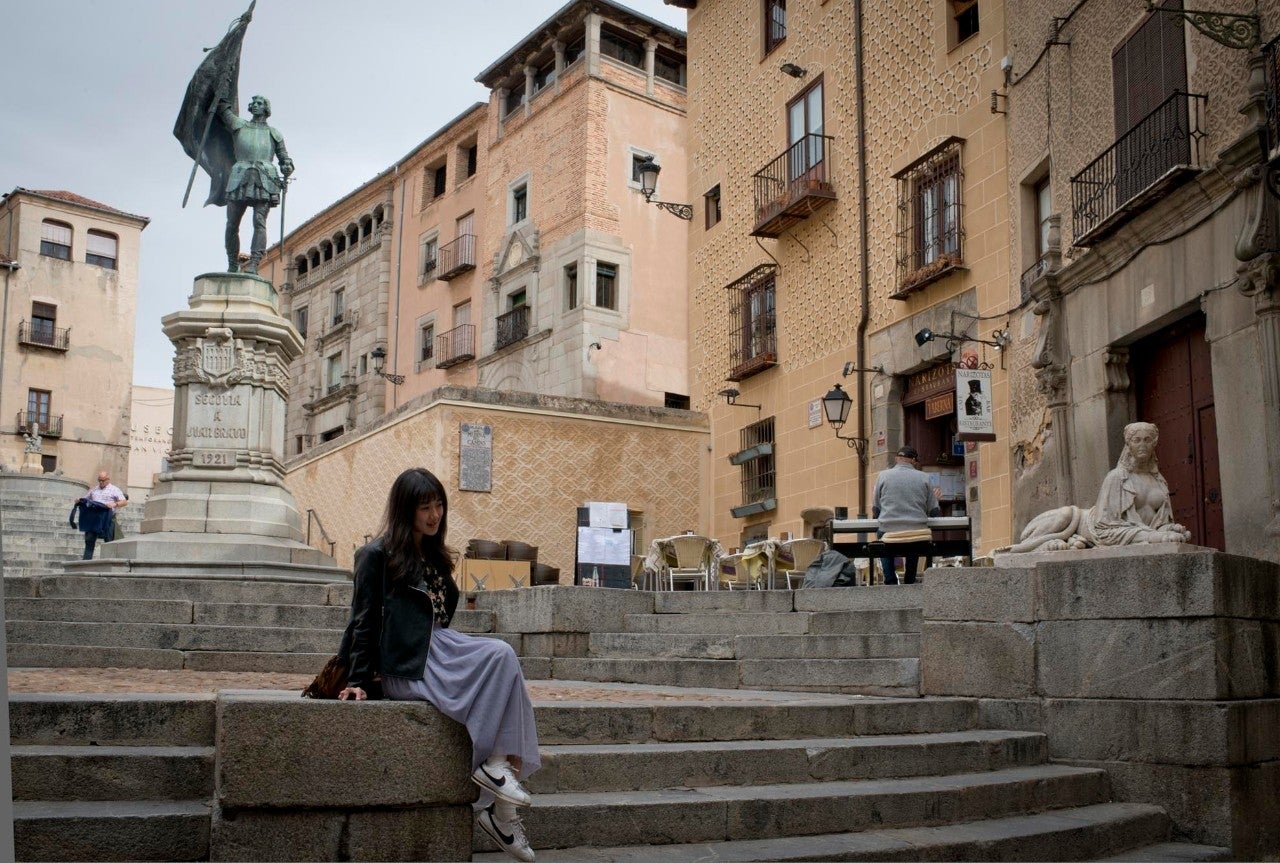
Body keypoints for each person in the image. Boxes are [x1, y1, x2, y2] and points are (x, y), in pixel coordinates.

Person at [338, 468, 538, 862]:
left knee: (502, 660)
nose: (434, 515)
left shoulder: (434, 557)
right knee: (499, 657)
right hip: (406, 664)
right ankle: (500, 795)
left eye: (439, 505)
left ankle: (502, 806)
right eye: (425, 507)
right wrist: (358, 678)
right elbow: (362, 620)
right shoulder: (376, 556)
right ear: (404, 510)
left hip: (438, 651)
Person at [999, 421, 1191, 553]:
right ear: (1129, 444)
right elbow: (1106, 529)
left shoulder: (1159, 481)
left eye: (1147, 440)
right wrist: (1156, 537)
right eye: (1136, 440)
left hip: (1128, 533)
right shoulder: (1117, 478)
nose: (1142, 445)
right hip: (1089, 526)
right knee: (1066, 514)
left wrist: (1170, 529)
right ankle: (1041, 544)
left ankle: (1064, 541)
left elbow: (1157, 524)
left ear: (1154, 443)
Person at [217, 94, 293, 274]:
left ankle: (254, 262)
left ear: (267, 109)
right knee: (232, 223)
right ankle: (232, 262)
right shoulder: (238, 125)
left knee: (259, 221)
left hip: (265, 177)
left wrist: (287, 165)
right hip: (240, 175)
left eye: (261, 103)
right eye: (254, 103)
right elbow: (221, 109)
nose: (256, 105)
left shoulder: (274, 133)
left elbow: (284, 157)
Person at [871, 446, 941, 584]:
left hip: (890, 534)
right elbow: (934, 512)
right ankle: (910, 579)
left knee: (882, 537)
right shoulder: (924, 478)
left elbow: (876, 509)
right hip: (917, 535)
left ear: (897, 459)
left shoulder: (883, 476)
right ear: (914, 461)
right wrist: (935, 500)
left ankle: (890, 579)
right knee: (913, 539)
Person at [72, 471, 127, 560]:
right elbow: (85, 499)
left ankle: (110, 564)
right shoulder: (94, 489)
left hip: (108, 519)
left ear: (108, 479)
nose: (101, 482)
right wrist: (79, 500)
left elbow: (124, 502)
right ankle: (85, 563)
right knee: (89, 542)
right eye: (99, 480)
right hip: (94, 519)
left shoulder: (114, 489)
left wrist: (114, 504)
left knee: (110, 543)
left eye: (103, 480)